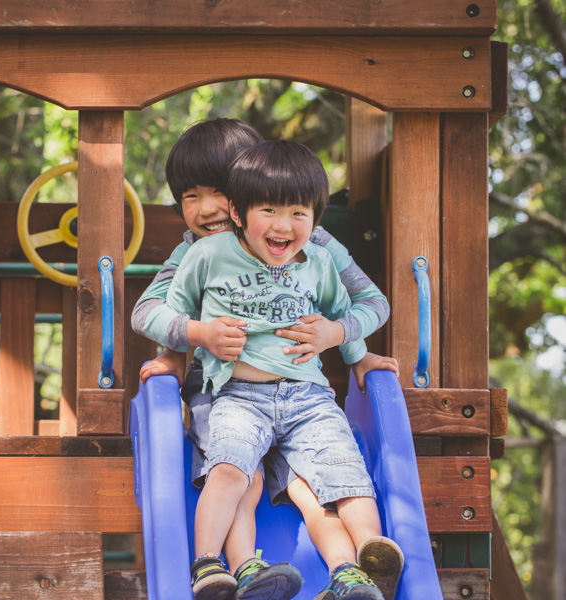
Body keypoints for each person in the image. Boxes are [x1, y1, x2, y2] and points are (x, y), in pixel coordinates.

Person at [132, 120, 401, 600]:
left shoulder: (309, 242)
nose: (209, 208)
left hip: (300, 397)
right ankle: (236, 569)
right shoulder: (194, 251)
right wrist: (184, 344)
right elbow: (153, 308)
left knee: (314, 480)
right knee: (241, 473)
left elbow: (361, 300)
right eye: (190, 196)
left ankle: (352, 570)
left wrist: (347, 344)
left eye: (218, 190)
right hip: (226, 391)